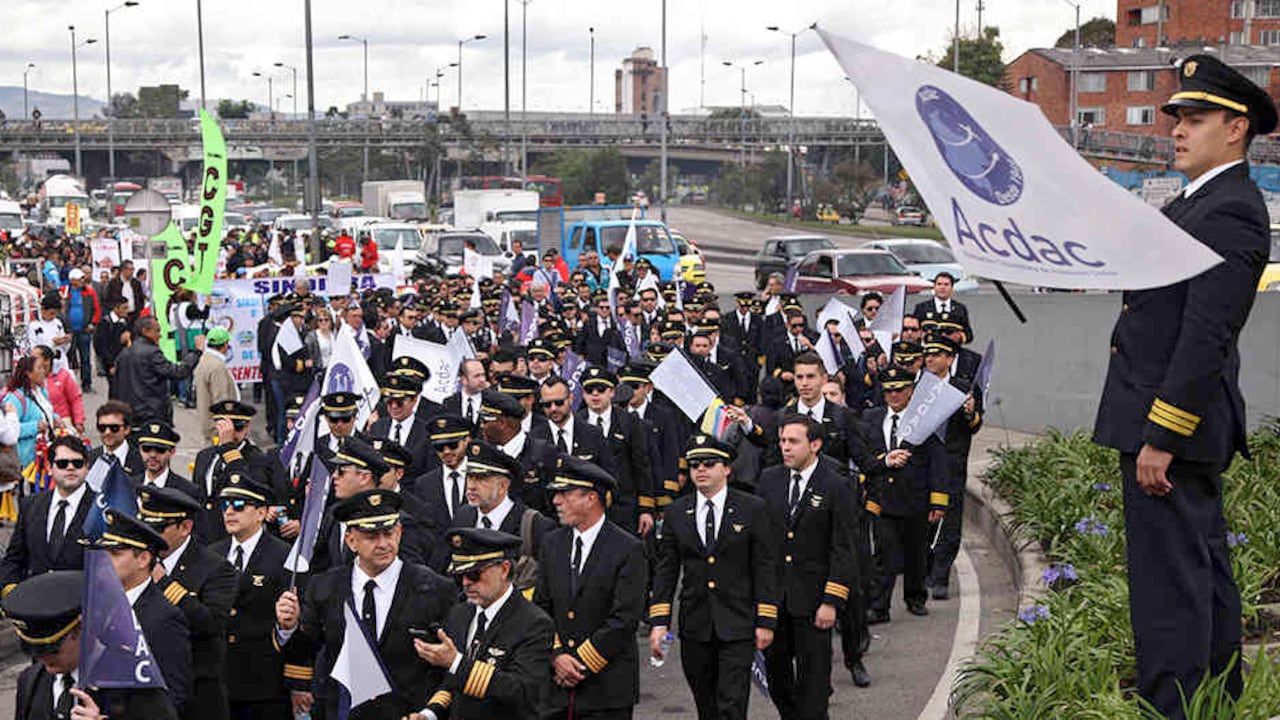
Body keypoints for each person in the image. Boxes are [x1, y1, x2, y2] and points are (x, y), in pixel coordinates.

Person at [1092, 54, 1276, 718]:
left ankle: (1172, 709)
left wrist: (1162, 435)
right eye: (1176, 117)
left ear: (1236, 127)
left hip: (1173, 427)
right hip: (1171, 420)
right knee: (1201, 575)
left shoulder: (1230, 211)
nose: (1176, 129)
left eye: (1194, 118)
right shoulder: (1196, 202)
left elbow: (1206, 335)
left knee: (1169, 589)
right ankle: (1214, 704)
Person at [274, 489, 458, 719]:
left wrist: (431, 712)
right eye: (372, 536)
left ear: (399, 533)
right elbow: (304, 651)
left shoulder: (436, 588)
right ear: (351, 541)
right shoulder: (324, 586)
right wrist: (288, 626)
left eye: (389, 533)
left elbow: (451, 661)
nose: (383, 544)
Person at [648, 435, 779, 720]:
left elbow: (765, 567)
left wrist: (766, 620)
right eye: (694, 464)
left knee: (731, 705)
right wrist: (659, 623)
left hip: (737, 622)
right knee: (706, 706)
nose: (701, 470)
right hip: (696, 624)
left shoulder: (752, 508)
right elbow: (666, 571)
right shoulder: (676, 512)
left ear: (727, 469)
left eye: (709, 463)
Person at [759, 416, 860, 714]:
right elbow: (761, 542)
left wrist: (831, 601)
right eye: (782, 441)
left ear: (814, 445)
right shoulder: (769, 480)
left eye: (793, 441)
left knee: (813, 685)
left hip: (814, 601)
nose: (785, 447)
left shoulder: (836, 485)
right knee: (777, 680)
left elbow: (843, 548)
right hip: (776, 602)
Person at [534, 456, 648, 720]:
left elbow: (624, 618)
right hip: (557, 688)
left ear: (591, 498)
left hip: (606, 688)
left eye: (565, 493)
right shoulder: (552, 544)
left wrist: (578, 663)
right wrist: (557, 656)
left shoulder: (627, 549)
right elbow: (541, 607)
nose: (556, 501)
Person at [411, 528, 554, 720]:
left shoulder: (534, 623)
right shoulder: (460, 613)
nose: (466, 583)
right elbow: (452, 682)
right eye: (460, 575)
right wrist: (429, 714)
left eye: (474, 574)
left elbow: (522, 692)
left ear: (504, 569)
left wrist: (456, 662)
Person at [4, 571, 179, 720]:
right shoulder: (32, 681)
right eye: (35, 650)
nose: (43, 658)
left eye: (53, 649)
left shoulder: (135, 683)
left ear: (86, 629)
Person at [136, 486, 238, 720]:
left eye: (158, 528)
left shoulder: (215, 567)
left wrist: (165, 583)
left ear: (185, 527)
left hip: (196, 694)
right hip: (148, 686)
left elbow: (211, 624)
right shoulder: (138, 562)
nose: (149, 536)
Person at [857, 367, 950, 624]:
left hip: (915, 498)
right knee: (884, 556)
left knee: (916, 553)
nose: (893, 395)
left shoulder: (924, 420)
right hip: (883, 498)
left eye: (899, 390)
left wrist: (938, 501)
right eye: (888, 391)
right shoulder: (871, 418)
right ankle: (879, 606)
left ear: (911, 391)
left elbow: (937, 461)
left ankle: (915, 597)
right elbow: (864, 453)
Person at [90, 508, 193, 715]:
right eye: (104, 553)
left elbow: (171, 699)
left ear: (143, 559)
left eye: (115, 554)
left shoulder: (164, 618)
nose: (104, 561)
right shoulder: (96, 606)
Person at [209, 474, 293, 720]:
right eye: (225, 505)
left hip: (264, 682)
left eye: (239, 505)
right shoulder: (213, 554)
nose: (229, 512)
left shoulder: (283, 555)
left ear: (261, 513)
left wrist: (299, 680)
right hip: (218, 679)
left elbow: (295, 622)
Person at [922, 335, 983, 600]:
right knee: (923, 520)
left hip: (951, 463)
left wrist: (970, 412)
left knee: (949, 520)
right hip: (924, 464)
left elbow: (975, 425)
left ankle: (941, 576)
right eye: (928, 354)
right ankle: (925, 568)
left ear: (949, 359)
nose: (930, 359)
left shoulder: (964, 388)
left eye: (936, 355)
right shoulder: (919, 386)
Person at [0, 436, 94, 593]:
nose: (70, 468)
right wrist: (12, 591)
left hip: (81, 601)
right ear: (50, 467)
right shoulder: (31, 505)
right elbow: (14, 559)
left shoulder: (101, 509)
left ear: (87, 467)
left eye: (77, 463)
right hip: (34, 599)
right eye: (62, 463)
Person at [576, 367, 654, 535]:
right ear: (583, 394)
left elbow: (641, 466)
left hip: (624, 507)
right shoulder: (576, 422)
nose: (595, 394)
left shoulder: (629, 422)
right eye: (589, 390)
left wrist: (646, 509)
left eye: (601, 389)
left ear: (611, 392)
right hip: (586, 508)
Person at [113, 316, 200, 427]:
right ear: (145, 331)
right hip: (150, 413)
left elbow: (115, 384)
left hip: (129, 413)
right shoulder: (152, 353)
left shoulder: (124, 354)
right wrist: (196, 352)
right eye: (157, 331)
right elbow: (178, 372)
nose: (160, 335)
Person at [2, 355, 59, 469]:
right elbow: (8, 429)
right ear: (28, 373)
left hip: (45, 453)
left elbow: (45, 411)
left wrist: (55, 418)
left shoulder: (41, 392)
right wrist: (34, 426)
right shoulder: (16, 399)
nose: (43, 371)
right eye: (39, 368)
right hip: (27, 461)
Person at [132, 421, 204, 501]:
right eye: (146, 449)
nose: (153, 455)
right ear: (140, 449)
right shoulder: (128, 486)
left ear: (172, 452)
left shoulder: (188, 491)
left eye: (160, 450)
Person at [194, 327, 240, 444]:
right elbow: (221, 400)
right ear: (225, 345)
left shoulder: (205, 360)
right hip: (218, 429)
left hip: (209, 423)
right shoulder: (217, 367)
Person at [61, 268, 100, 392]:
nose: (83, 281)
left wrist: (93, 323)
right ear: (72, 280)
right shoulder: (64, 291)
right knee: (69, 357)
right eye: (80, 279)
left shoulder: (90, 292)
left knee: (85, 358)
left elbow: (97, 309)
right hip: (69, 331)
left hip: (84, 330)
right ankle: (69, 385)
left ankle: (86, 384)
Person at [32, 345, 84, 436]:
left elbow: (75, 399)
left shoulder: (63, 376)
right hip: (40, 424)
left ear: (47, 361)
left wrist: (78, 421)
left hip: (62, 422)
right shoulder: (32, 377)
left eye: (35, 358)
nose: (31, 361)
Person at [88, 400, 144, 475]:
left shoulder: (142, 460)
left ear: (127, 429)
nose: (107, 432)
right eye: (102, 428)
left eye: (114, 428)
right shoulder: (89, 458)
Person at [27, 292, 71, 377]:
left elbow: (65, 349)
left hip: (60, 363)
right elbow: (33, 348)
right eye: (51, 313)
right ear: (43, 310)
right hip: (44, 365)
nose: (53, 316)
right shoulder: (34, 326)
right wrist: (52, 343)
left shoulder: (58, 323)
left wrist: (65, 341)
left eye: (55, 314)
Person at [94, 295, 131, 397]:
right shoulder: (105, 323)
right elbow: (101, 346)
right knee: (115, 390)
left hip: (123, 361)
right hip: (111, 362)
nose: (127, 311)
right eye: (124, 308)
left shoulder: (125, 322)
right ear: (116, 308)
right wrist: (111, 364)